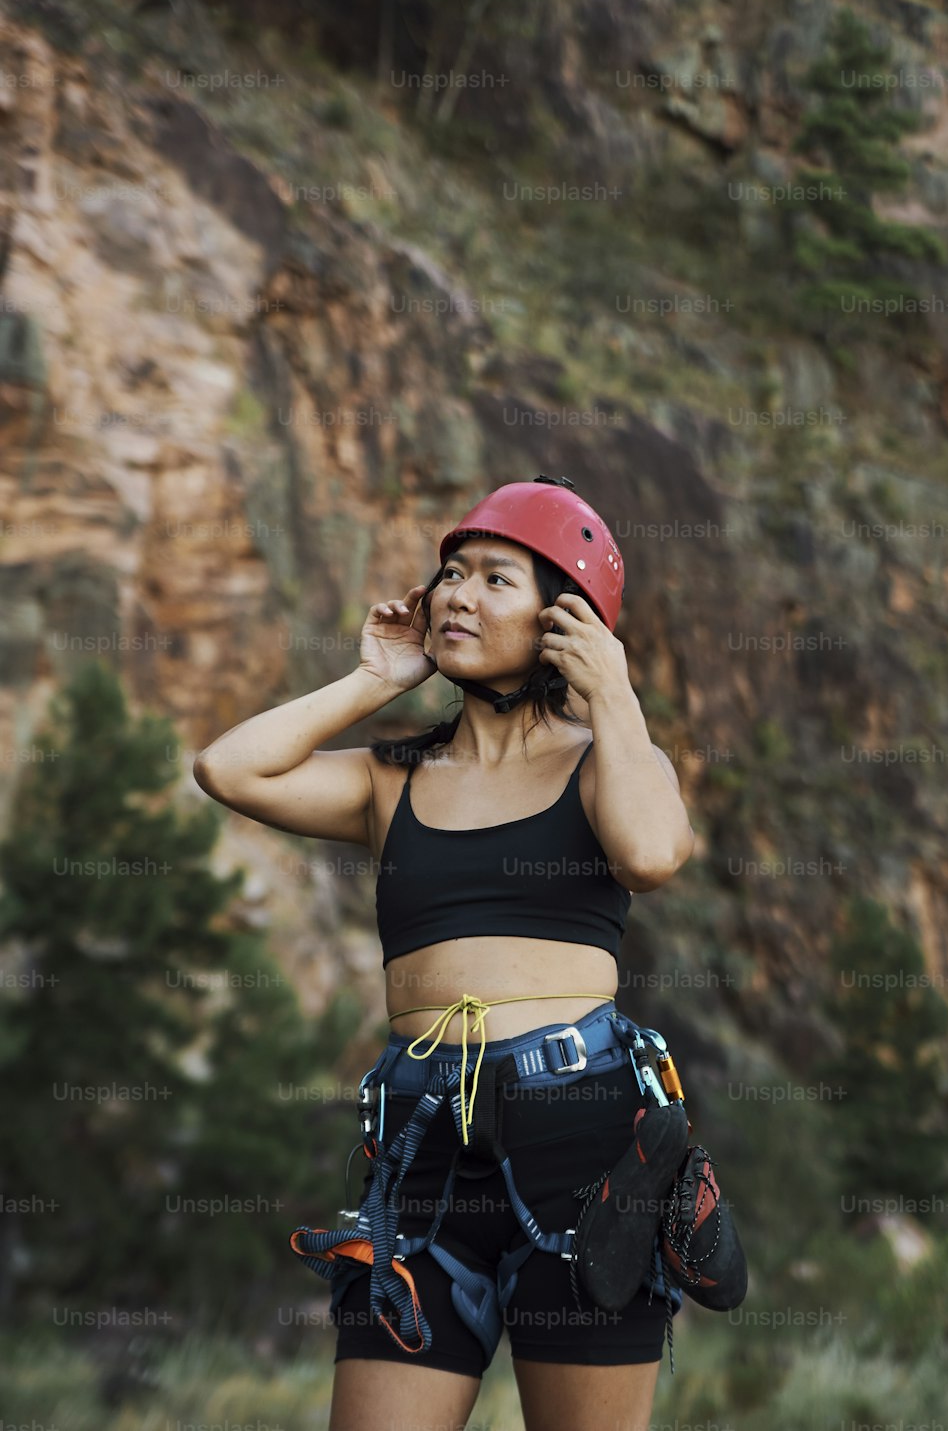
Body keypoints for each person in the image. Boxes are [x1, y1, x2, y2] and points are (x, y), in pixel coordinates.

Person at [194, 476, 696, 1431]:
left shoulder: (609, 762)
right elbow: (227, 768)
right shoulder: (393, 775)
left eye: (497, 578)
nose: (458, 594)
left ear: (565, 620)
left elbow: (649, 853)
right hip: (421, 1150)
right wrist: (376, 680)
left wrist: (614, 689)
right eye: (451, 574)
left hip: (581, 1145)